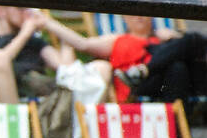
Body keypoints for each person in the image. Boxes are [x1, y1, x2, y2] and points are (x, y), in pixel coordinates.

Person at [31, 9, 207, 121]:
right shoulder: (117, 40)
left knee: (184, 55)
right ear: (124, 17)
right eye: (134, 12)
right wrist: (47, 23)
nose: (139, 16)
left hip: (173, 82)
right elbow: (82, 44)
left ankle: (143, 70)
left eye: (145, 12)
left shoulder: (165, 38)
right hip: (139, 88)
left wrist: (174, 37)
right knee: (183, 57)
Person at [0, 5, 70, 103]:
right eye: (20, 8)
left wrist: (50, 24)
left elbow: (67, 70)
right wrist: (25, 34)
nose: (27, 12)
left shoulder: (35, 42)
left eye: (28, 8)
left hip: (39, 94)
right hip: (8, 88)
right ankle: (14, 116)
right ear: (1, 10)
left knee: (69, 84)